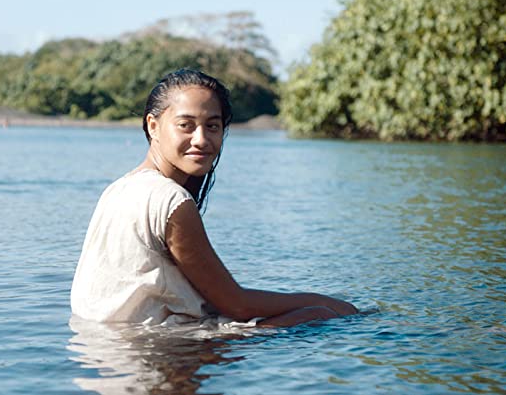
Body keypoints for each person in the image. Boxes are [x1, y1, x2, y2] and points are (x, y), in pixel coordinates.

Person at [70, 69, 357, 327]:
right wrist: (325, 302)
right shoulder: (169, 199)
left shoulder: (119, 188)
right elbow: (236, 304)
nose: (202, 139)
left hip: (99, 361)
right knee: (322, 314)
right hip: (153, 356)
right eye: (186, 125)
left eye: (213, 126)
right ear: (153, 126)